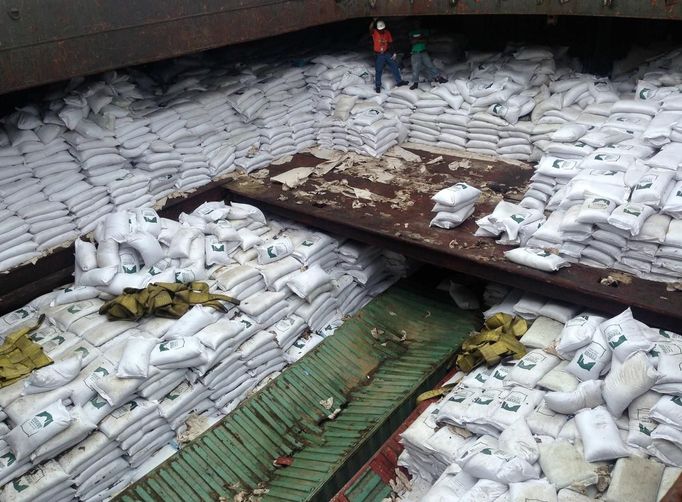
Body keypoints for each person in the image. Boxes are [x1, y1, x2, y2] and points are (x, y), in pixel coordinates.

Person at [370, 19, 408, 93]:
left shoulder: (387, 33)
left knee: (394, 66)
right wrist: (373, 21)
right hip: (379, 54)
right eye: (379, 29)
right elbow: (370, 28)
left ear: (384, 28)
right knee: (379, 70)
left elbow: (391, 43)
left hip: (387, 53)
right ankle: (378, 86)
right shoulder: (374, 32)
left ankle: (399, 82)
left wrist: (394, 52)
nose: (381, 31)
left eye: (382, 29)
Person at [408, 24, 448, 90]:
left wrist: (416, 39)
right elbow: (412, 42)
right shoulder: (411, 32)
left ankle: (439, 78)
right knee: (415, 69)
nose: (416, 24)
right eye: (414, 23)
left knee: (430, 65)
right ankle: (415, 83)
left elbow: (425, 40)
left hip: (423, 52)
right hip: (415, 53)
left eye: (417, 22)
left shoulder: (423, 31)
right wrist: (420, 38)